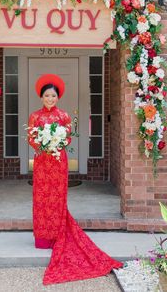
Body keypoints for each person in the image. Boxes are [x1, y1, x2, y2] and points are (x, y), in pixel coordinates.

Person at [28, 74, 123, 285]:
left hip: (58, 162)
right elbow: (31, 138)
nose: (50, 99)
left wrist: (56, 143)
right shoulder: (35, 116)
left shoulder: (63, 116)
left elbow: (68, 136)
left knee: (57, 198)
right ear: (41, 96)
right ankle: (43, 238)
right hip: (42, 162)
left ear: (58, 97)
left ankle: (57, 235)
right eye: (46, 95)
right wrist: (43, 145)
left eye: (53, 95)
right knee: (41, 198)